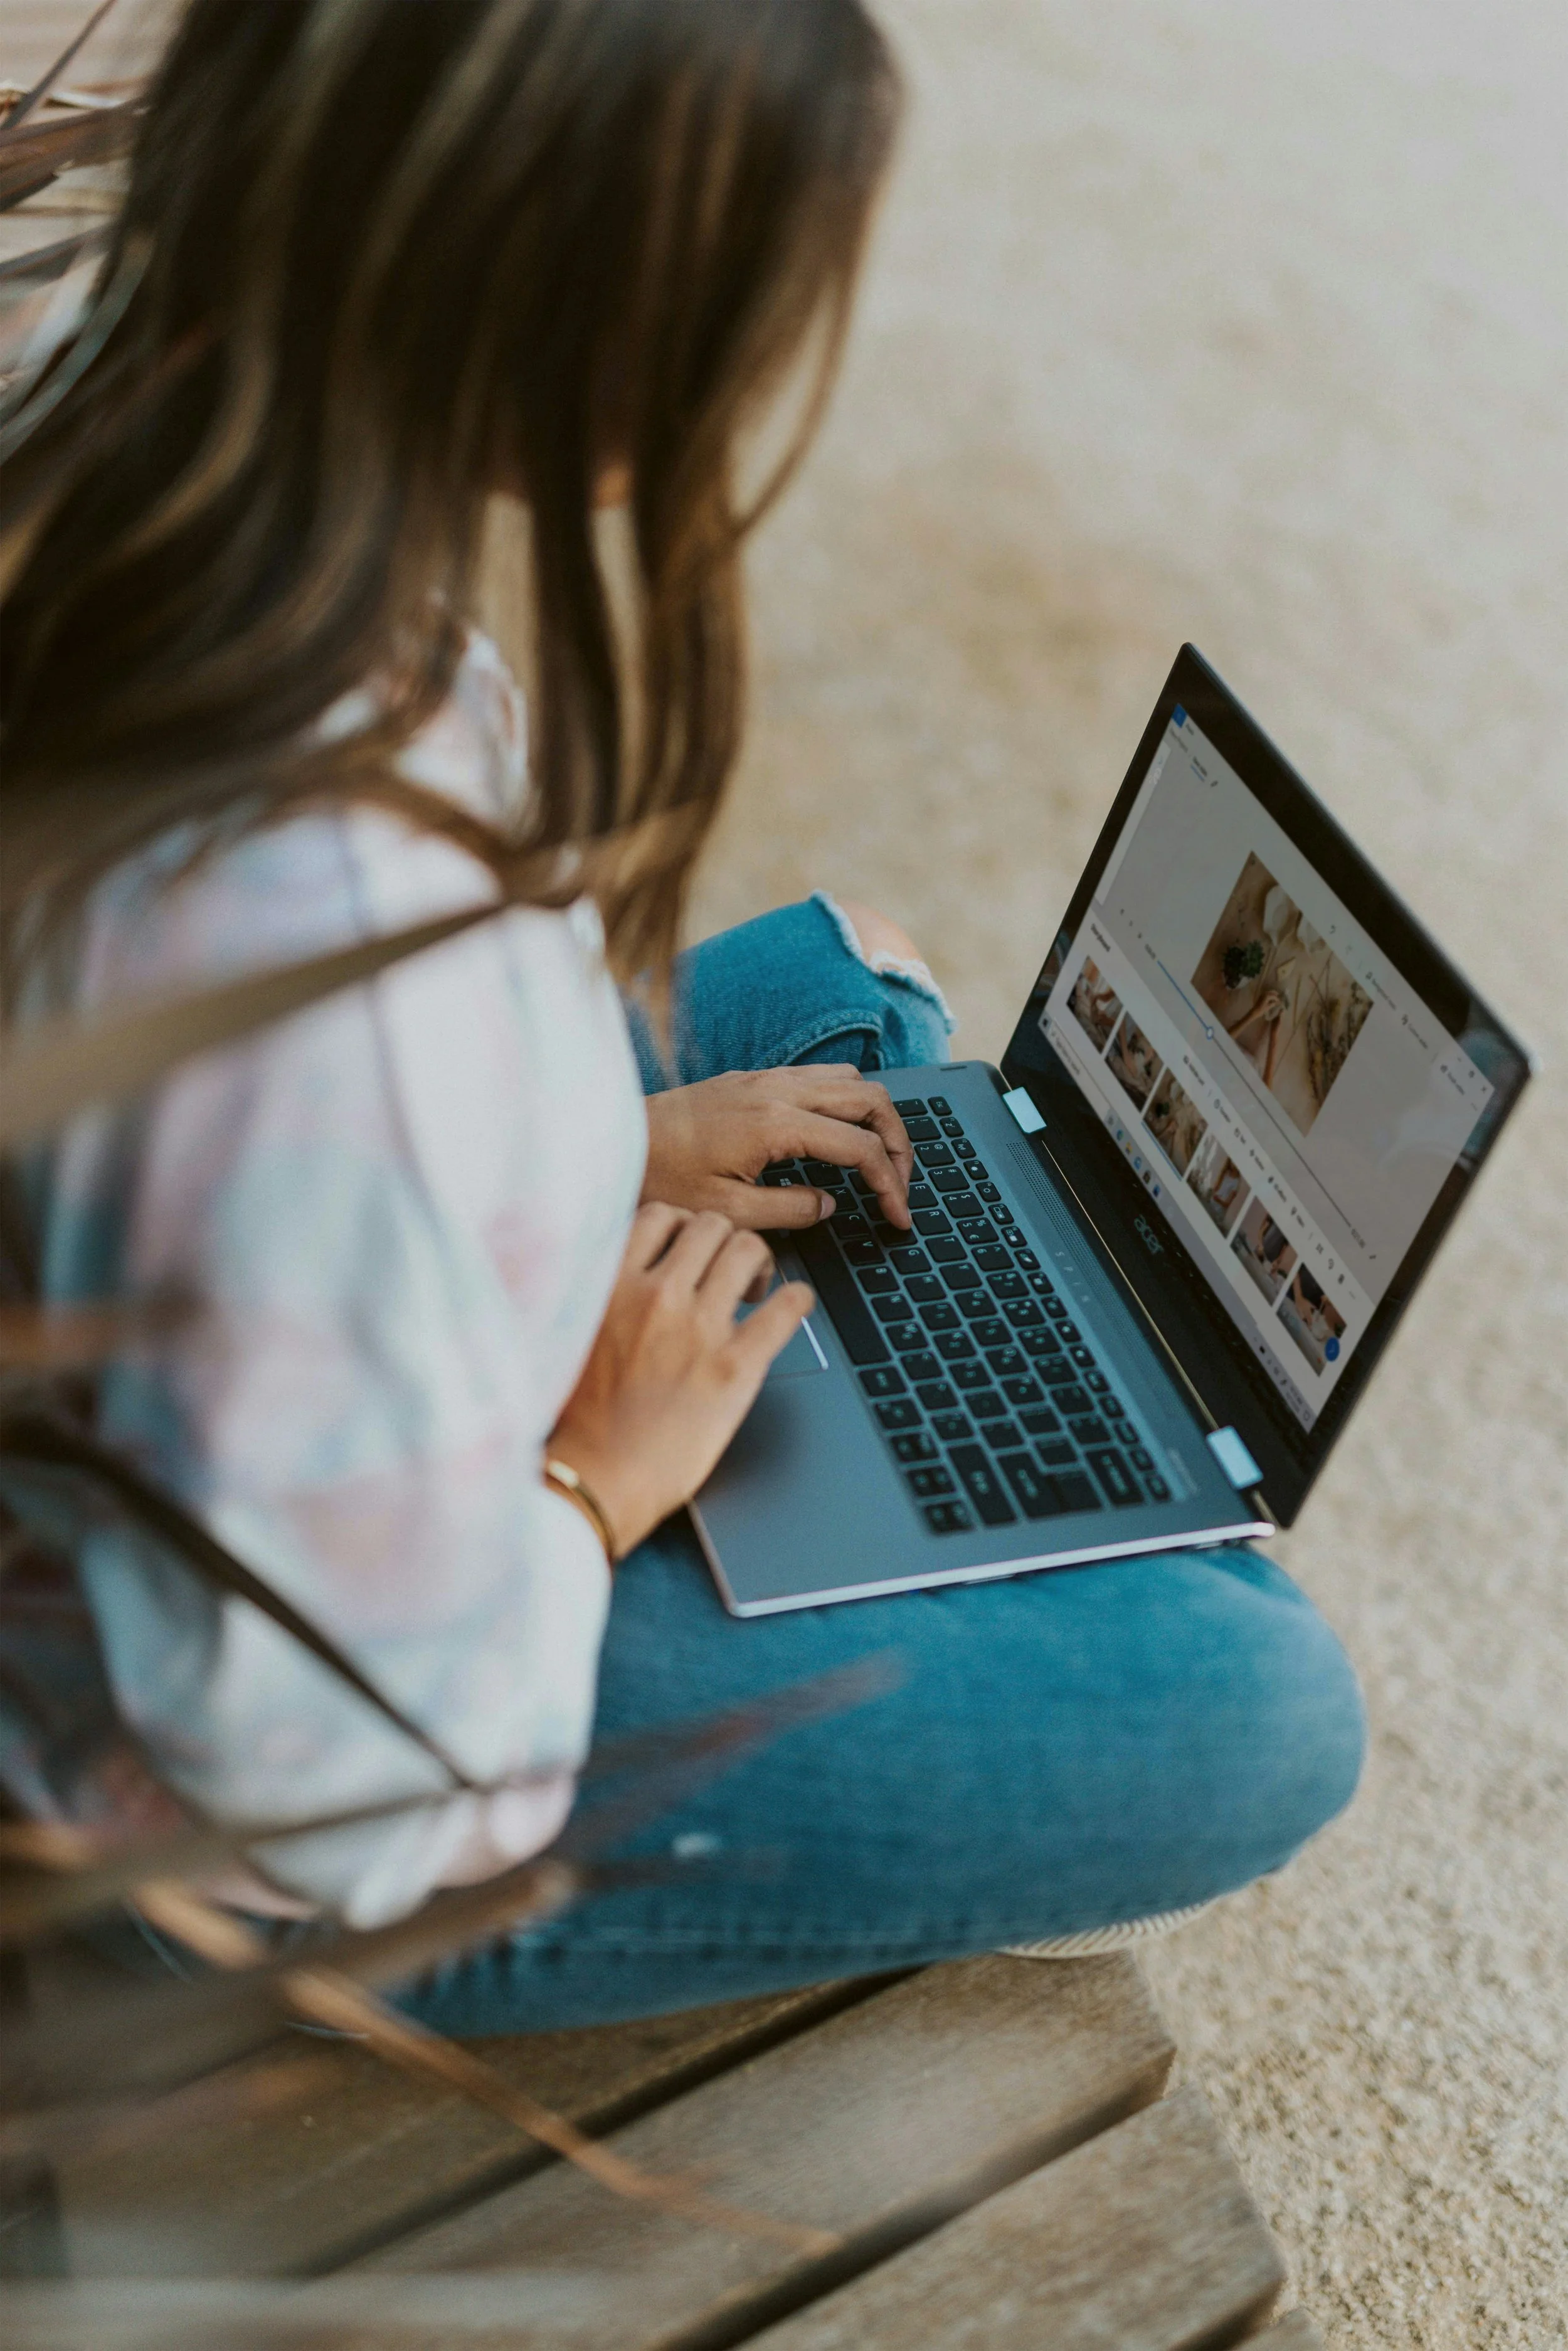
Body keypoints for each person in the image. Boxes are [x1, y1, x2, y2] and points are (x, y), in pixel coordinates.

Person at [0, 0, 1362, 2028]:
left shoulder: (117, 374)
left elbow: (234, 1161)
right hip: (226, 1812)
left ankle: (969, 1499)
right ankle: (987, 1595)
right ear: (613, 357)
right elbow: (320, 1785)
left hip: (235, 1343)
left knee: (845, 979)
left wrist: (590, 1154)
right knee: (1259, 1706)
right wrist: (591, 1486)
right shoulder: (326, 966)